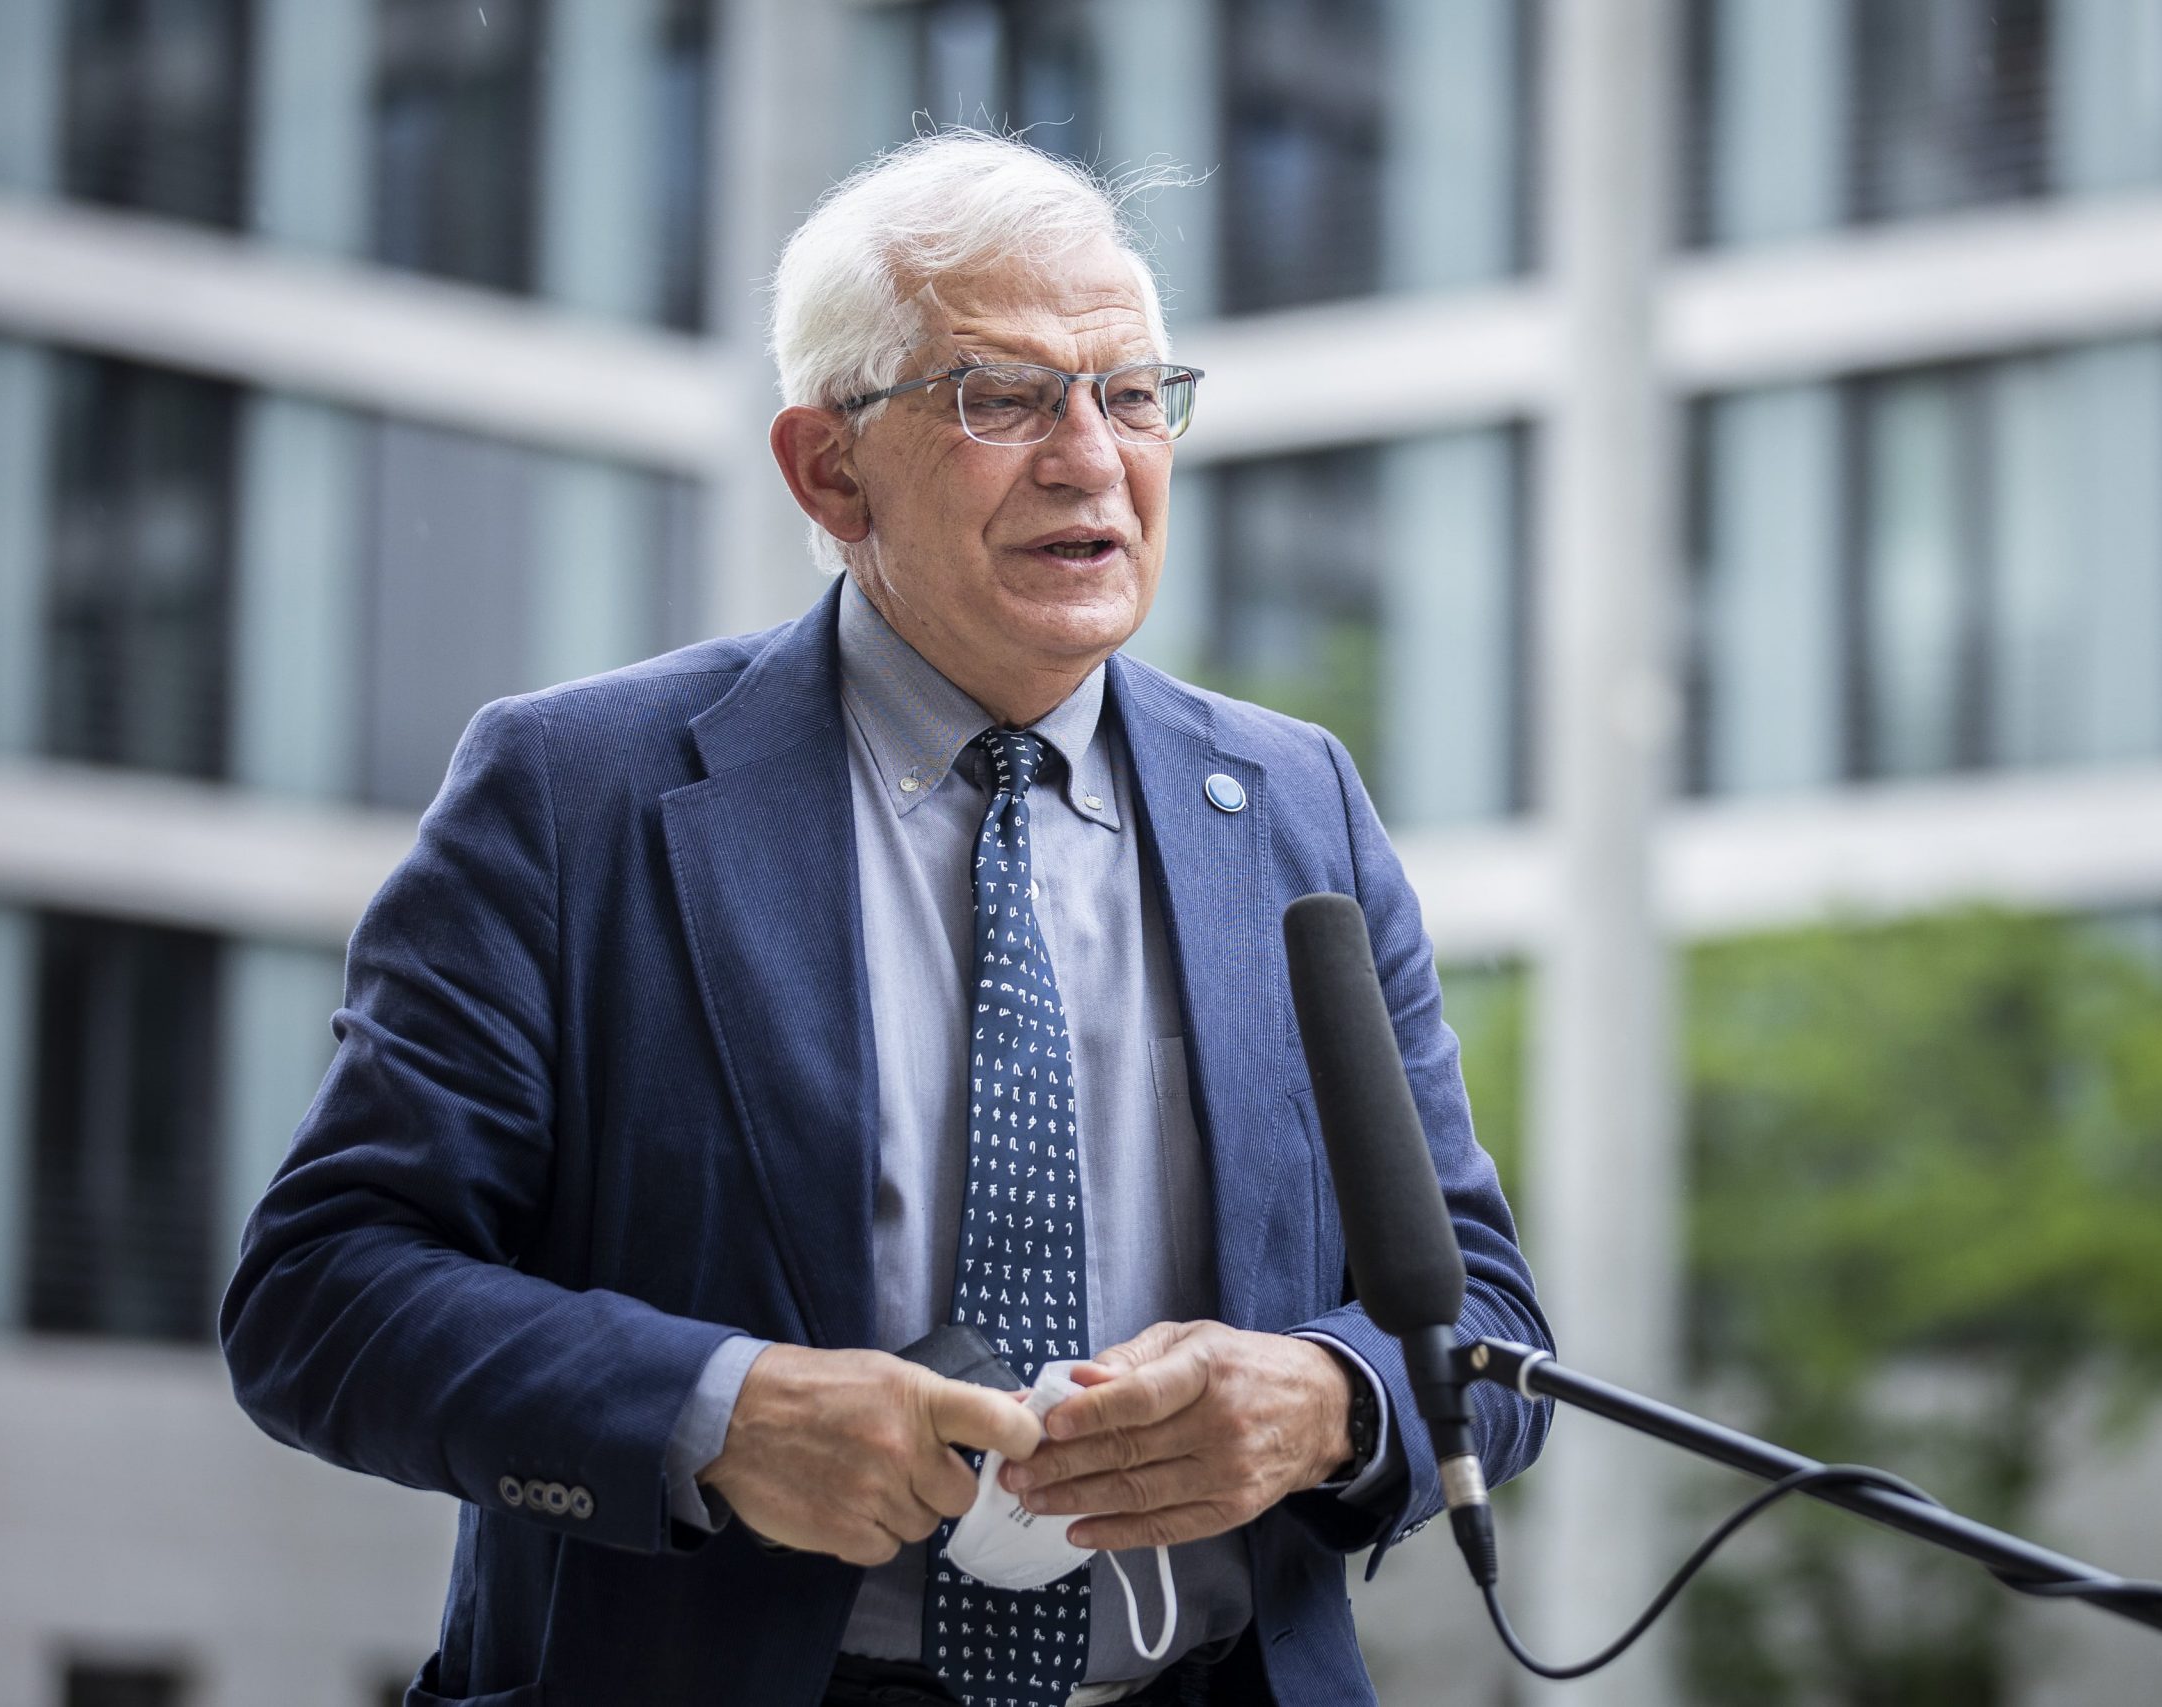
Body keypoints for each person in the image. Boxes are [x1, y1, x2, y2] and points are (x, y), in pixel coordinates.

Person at [221, 131, 1549, 1707]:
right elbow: (321, 1292)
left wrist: (1327, 1401)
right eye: (1004, 398)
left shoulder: (1295, 801)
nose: (1091, 458)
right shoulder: (575, 794)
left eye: (1132, 394)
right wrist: (719, 1412)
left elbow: (1482, 1318)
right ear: (828, 469)